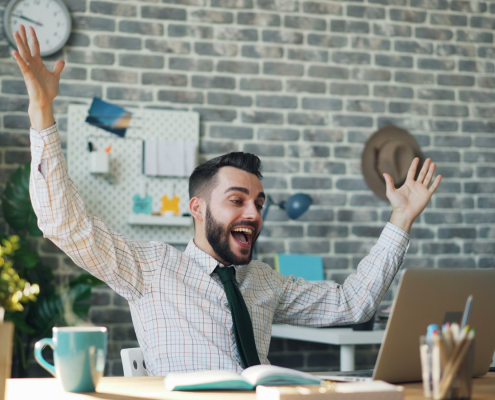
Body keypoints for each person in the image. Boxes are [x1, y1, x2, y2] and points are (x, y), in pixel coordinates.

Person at [13, 25, 442, 375]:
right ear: (197, 209)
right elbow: (63, 224)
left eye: (258, 202)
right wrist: (41, 113)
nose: (253, 213)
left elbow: (353, 303)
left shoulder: (265, 282)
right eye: (237, 200)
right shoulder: (150, 268)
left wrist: (401, 217)